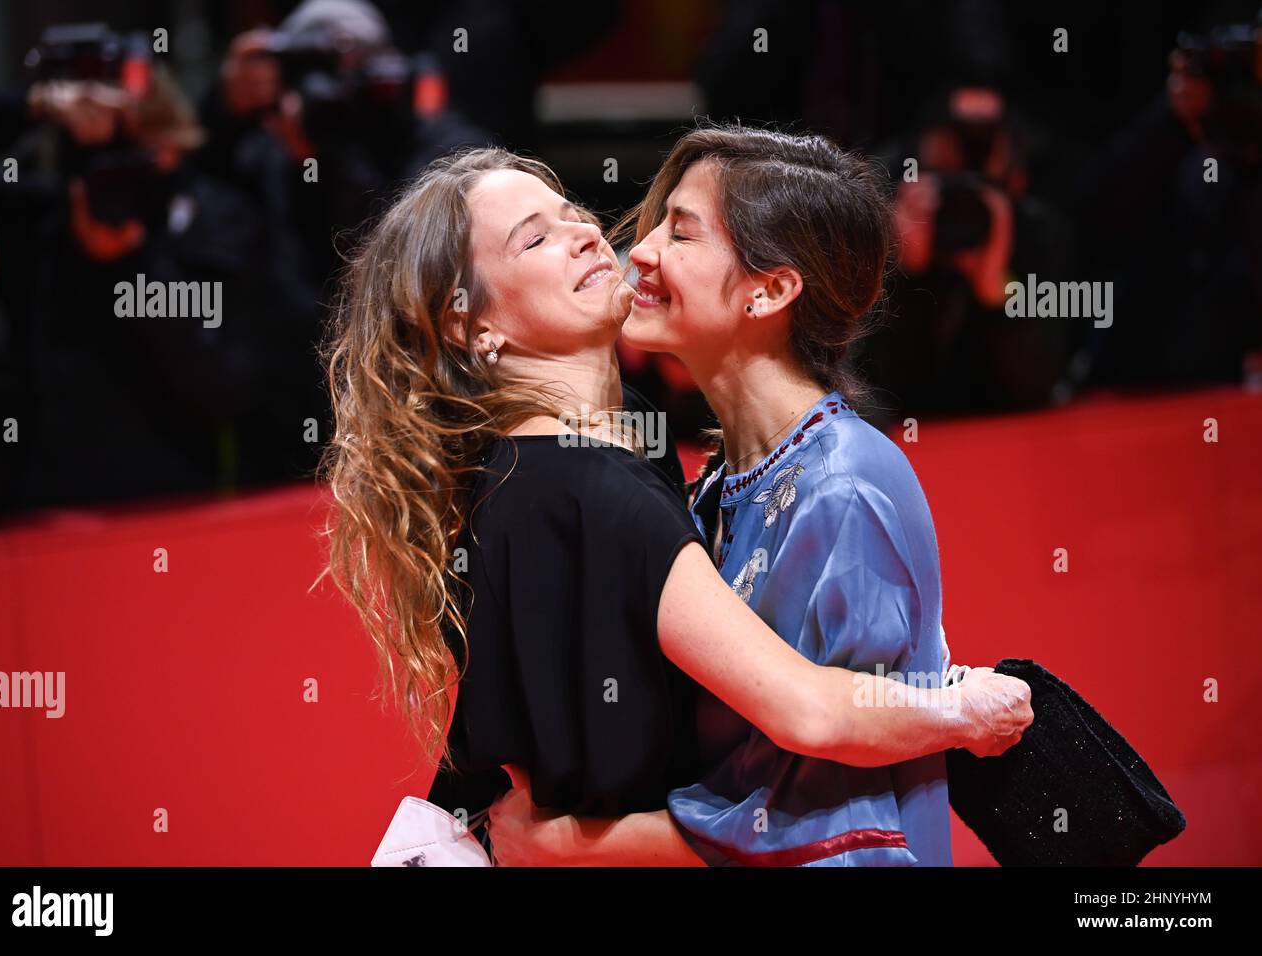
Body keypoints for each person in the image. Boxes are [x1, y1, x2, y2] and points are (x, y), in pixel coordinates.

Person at [317, 147, 1033, 859]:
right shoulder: (589, 488)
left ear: (772, 290)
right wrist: (963, 706)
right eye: (534, 238)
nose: (602, 236)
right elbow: (810, 712)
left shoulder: (593, 450)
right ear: (473, 326)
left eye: (573, 214)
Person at [486, 126, 998, 866]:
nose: (644, 251)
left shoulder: (846, 486)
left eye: (681, 232)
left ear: (771, 290)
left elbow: (828, 822)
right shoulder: (723, 481)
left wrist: (575, 845)